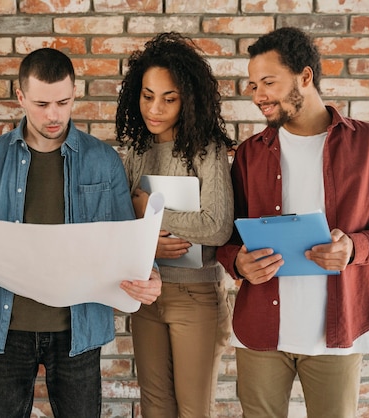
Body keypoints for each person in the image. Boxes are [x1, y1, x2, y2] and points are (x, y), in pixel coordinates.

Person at [0, 47, 162, 418]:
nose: (54, 114)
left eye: (63, 101)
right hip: (5, 328)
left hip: (78, 330)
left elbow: (127, 242)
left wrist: (148, 274)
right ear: (21, 97)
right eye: (42, 104)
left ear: (75, 93)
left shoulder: (103, 160)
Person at [216, 27, 369, 418]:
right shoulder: (250, 155)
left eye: (269, 82)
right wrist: (236, 262)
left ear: (305, 78)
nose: (258, 95)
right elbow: (225, 236)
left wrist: (355, 248)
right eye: (253, 84)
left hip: (339, 331)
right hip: (261, 330)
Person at [114, 32, 235, 418]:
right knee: (155, 408)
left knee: (193, 410)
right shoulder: (135, 150)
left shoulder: (207, 149)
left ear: (188, 99)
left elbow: (217, 226)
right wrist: (150, 244)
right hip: (145, 295)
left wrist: (151, 211)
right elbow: (119, 225)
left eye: (169, 98)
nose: (155, 108)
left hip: (195, 297)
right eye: (148, 95)